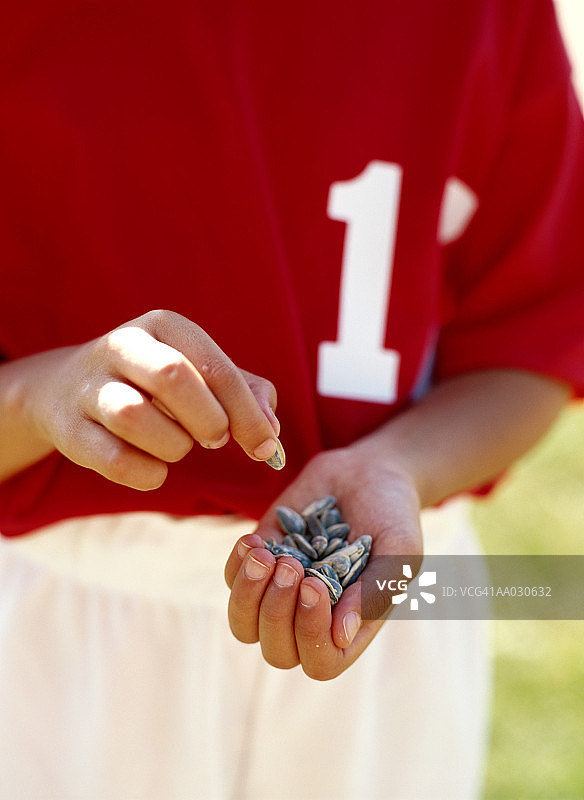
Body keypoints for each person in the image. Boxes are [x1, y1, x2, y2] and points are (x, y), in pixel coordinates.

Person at [0, 1, 583, 798]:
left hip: (385, 604)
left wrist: (400, 468)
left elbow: (532, 345)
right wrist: (38, 398)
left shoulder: (485, 17)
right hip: (60, 636)